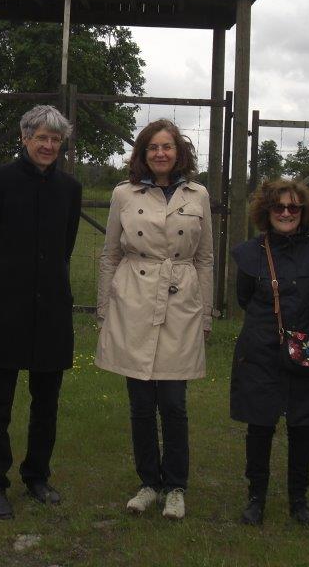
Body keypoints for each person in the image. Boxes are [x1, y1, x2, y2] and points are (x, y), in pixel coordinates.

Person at [0, 105, 83, 520]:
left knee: (46, 402)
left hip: (50, 313)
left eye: (55, 140)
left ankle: (37, 476)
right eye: (41, 137)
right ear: (24, 137)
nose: (48, 146)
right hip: (2, 313)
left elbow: (63, 248)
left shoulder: (69, 189)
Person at [95, 119, 214, 521]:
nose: (161, 154)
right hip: (134, 300)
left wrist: (206, 316)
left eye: (168, 147)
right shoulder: (123, 195)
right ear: (142, 155)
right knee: (141, 404)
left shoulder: (198, 195)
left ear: (179, 153)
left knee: (174, 403)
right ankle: (149, 482)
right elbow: (110, 254)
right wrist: (104, 309)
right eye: (153, 148)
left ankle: (176, 486)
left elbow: (204, 259)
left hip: (181, 303)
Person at [229, 179, 309, 526]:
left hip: (308, 347)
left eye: (294, 207)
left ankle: (299, 500)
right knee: (259, 426)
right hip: (261, 350)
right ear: (267, 211)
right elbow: (244, 297)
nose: (287, 213)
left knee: (302, 425)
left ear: (304, 211)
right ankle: (255, 498)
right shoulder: (251, 252)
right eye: (279, 207)